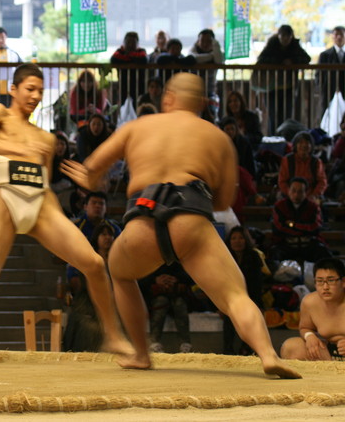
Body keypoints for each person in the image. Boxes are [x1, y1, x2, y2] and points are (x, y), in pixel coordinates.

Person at [61, 72, 301, 377]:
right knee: (235, 294)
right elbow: (224, 200)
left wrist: (92, 179)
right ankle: (267, 354)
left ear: (168, 98)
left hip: (143, 217)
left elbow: (92, 168)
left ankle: (141, 354)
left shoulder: (138, 126)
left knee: (120, 273)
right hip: (191, 215)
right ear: (201, 103)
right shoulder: (218, 137)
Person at [0, 63, 134, 364]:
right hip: (3, 200)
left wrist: (80, 189)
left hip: (39, 202)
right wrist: (18, 151)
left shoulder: (46, 140)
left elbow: (44, 182)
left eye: (40, 91)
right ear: (13, 89)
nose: (35, 96)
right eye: (30, 89)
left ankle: (113, 335)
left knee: (95, 263)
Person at [63, 223, 116, 352]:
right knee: (87, 323)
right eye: (103, 234)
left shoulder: (117, 258)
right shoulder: (90, 258)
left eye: (110, 235)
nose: (107, 237)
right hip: (88, 300)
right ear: (96, 238)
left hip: (113, 300)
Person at [280, 257, 345, 361]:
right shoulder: (309, 302)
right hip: (327, 354)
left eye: (331, 280)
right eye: (320, 281)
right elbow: (305, 328)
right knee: (291, 347)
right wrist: (309, 336)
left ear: (343, 281)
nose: (325, 287)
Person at [256, 25, 310, 134]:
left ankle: (285, 137)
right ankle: (273, 137)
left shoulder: (295, 46)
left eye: (288, 36)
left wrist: (292, 61)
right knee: (272, 116)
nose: (285, 39)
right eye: (283, 36)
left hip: (289, 88)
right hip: (271, 88)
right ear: (279, 36)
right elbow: (261, 60)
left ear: (291, 37)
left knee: (286, 116)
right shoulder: (272, 45)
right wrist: (279, 62)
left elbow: (306, 58)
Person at [223, 226, 265, 355]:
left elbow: (257, 284)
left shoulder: (254, 257)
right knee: (229, 316)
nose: (237, 241)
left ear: (246, 240)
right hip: (229, 298)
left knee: (250, 315)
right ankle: (228, 350)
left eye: (241, 238)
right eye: (234, 238)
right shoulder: (224, 257)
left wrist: (255, 304)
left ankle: (247, 349)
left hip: (249, 297)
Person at [270, 177, 332, 265]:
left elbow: (315, 228)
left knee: (323, 252)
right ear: (288, 190)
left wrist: (294, 225)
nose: (296, 195)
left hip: (308, 243)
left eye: (300, 191)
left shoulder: (313, 207)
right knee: (274, 254)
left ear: (306, 192)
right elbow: (279, 228)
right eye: (293, 191)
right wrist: (303, 229)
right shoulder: (279, 206)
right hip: (286, 243)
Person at [139, 263, 194, 354]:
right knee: (161, 301)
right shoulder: (147, 262)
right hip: (153, 298)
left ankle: (186, 344)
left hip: (177, 296)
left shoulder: (177, 261)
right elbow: (138, 281)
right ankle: (154, 342)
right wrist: (155, 280)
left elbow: (192, 277)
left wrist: (175, 279)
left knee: (179, 303)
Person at [277, 131, 327, 203]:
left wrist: (314, 195)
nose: (304, 145)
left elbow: (322, 182)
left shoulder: (316, 162)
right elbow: (282, 181)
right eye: (300, 142)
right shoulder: (287, 160)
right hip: (290, 195)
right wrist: (291, 194)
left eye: (307, 143)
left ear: (311, 146)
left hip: (311, 196)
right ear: (295, 145)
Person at [189, 29, 223, 121]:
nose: (205, 44)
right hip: (194, 92)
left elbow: (219, 61)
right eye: (202, 41)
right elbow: (194, 58)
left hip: (210, 92)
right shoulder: (193, 51)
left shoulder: (217, 53)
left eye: (208, 41)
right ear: (198, 41)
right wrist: (211, 56)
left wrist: (215, 44)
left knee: (212, 115)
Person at [110, 31, 147, 105]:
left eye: (133, 42)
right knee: (123, 106)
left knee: (138, 105)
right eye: (128, 42)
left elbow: (143, 60)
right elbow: (113, 59)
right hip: (123, 86)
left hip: (139, 86)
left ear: (137, 44)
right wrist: (133, 59)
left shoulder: (141, 51)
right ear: (124, 42)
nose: (130, 45)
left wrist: (127, 57)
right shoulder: (119, 51)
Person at [317, 26, 345, 116]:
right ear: (332, 36)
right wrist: (322, 87)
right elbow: (319, 75)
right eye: (336, 34)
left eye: (341, 34)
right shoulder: (324, 55)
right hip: (329, 91)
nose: (339, 37)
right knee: (327, 115)